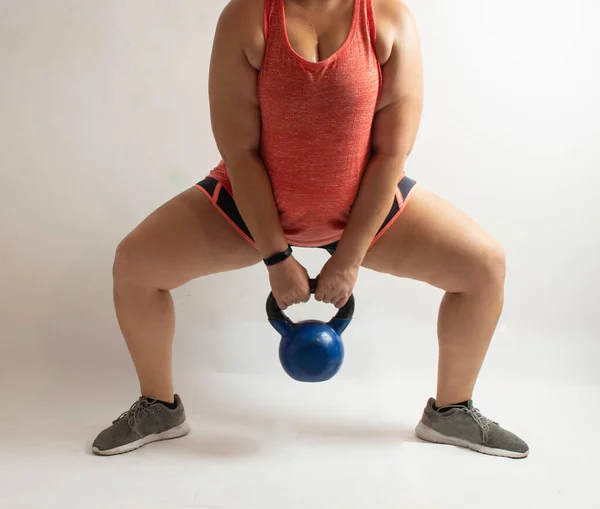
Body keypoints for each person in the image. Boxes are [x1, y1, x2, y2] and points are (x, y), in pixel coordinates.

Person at [92, 0, 529, 458]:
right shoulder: (247, 18)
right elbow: (241, 152)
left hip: (364, 209)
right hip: (250, 207)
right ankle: (158, 406)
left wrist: (350, 258)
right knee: (135, 264)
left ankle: (452, 412)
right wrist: (277, 257)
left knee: (484, 266)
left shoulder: (389, 19)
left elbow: (390, 155)